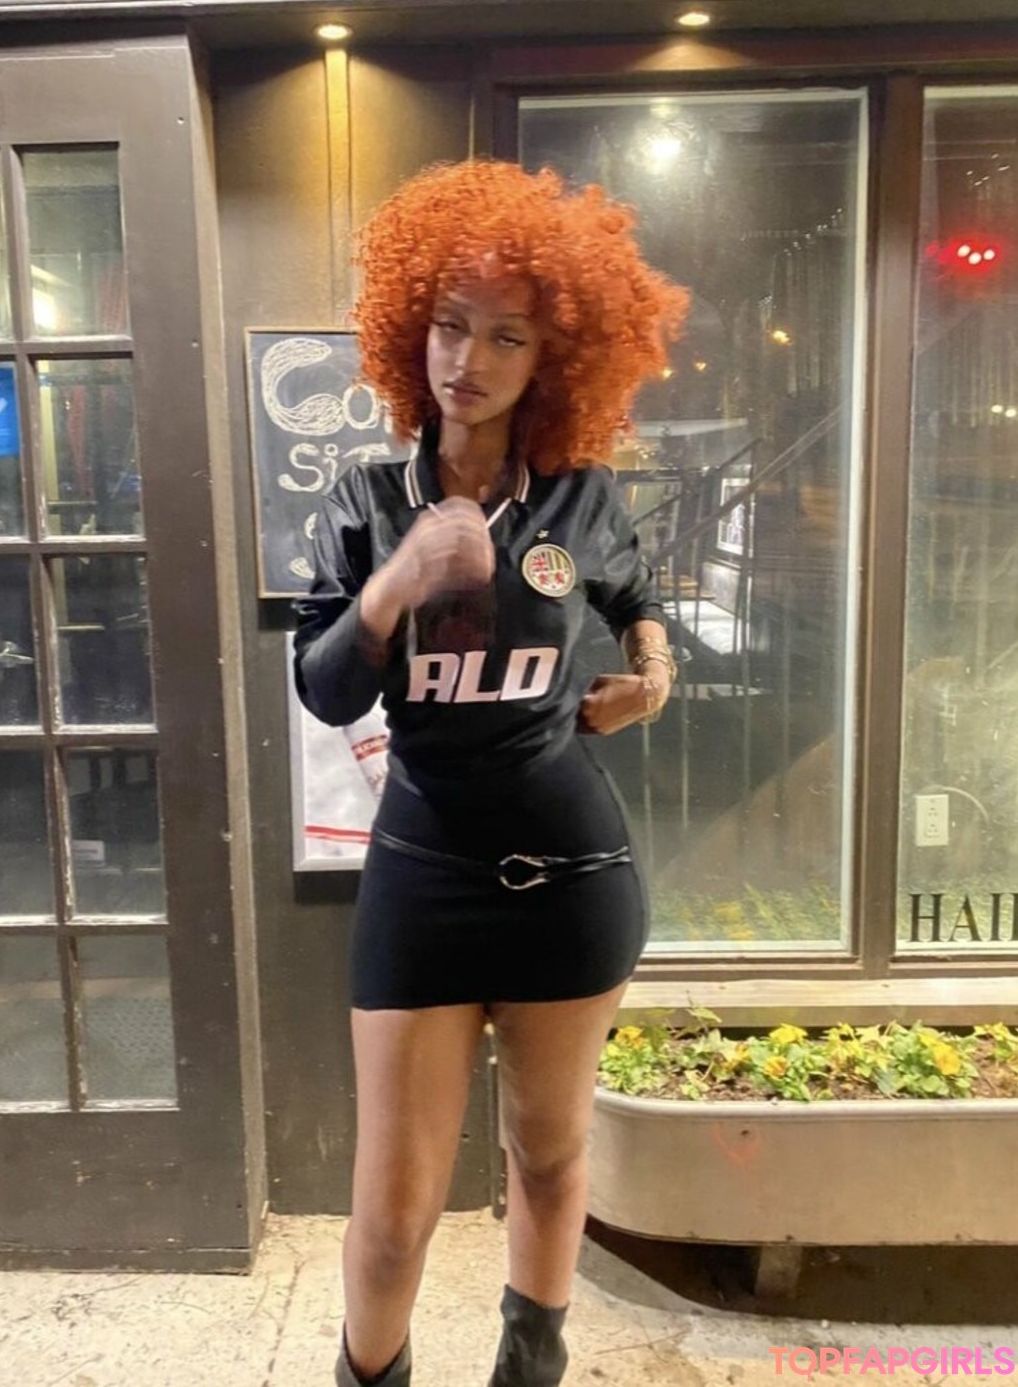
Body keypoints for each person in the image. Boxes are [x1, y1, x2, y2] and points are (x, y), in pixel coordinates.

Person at [293, 158, 688, 1387]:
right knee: (392, 1212)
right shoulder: (366, 500)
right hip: (425, 875)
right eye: (450, 324)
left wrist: (652, 672)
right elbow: (325, 686)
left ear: (551, 358)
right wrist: (395, 582)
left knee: (550, 1158)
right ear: (411, 327)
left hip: (574, 874)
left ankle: (531, 1366)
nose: (468, 358)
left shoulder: (581, 498)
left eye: (507, 335)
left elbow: (638, 598)